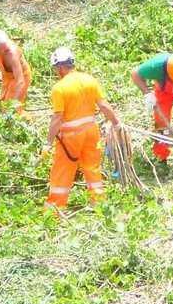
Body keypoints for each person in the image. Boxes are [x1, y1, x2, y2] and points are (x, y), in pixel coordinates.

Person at [45, 46, 120, 212]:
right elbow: (103, 105)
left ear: (60, 67)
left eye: (56, 68)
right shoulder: (89, 80)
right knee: (92, 169)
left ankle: (54, 210)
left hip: (70, 137)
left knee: (62, 172)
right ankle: (99, 204)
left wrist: (48, 142)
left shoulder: (60, 88)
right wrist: (116, 123)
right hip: (91, 133)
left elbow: (57, 118)